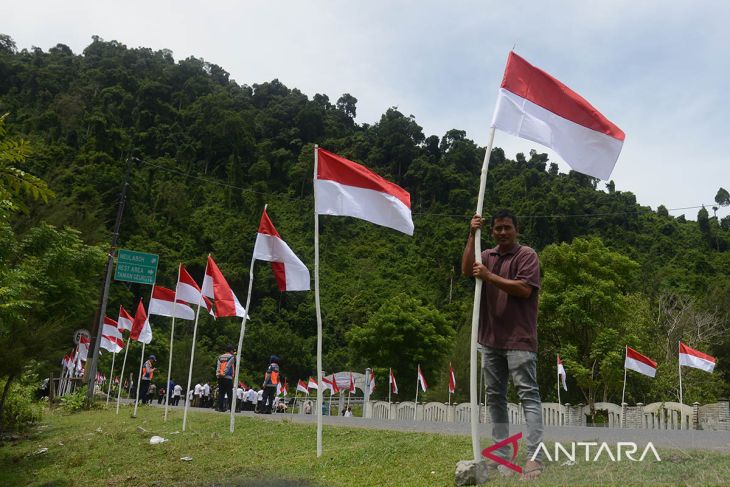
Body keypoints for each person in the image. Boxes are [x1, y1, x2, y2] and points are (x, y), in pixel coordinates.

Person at [461, 209, 544, 480]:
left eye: (507, 227)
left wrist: (489, 276)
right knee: (495, 398)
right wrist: (472, 234)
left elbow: (523, 289)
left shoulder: (526, 255)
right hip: (490, 339)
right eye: (497, 228)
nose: (503, 232)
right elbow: (466, 270)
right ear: (493, 231)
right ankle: (502, 453)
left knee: (527, 396)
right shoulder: (486, 256)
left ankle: (534, 458)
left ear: (516, 229)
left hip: (519, 339)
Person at [216, 345, 236, 412]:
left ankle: (220, 408)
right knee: (229, 393)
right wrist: (224, 374)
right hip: (228, 377)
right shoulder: (231, 357)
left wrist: (218, 375)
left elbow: (218, 367)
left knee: (221, 393)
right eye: (233, 351)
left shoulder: (220, 357)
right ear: (231, 350)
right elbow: (228, 366)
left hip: (220, 377)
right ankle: (231, 408)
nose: (233, 352)